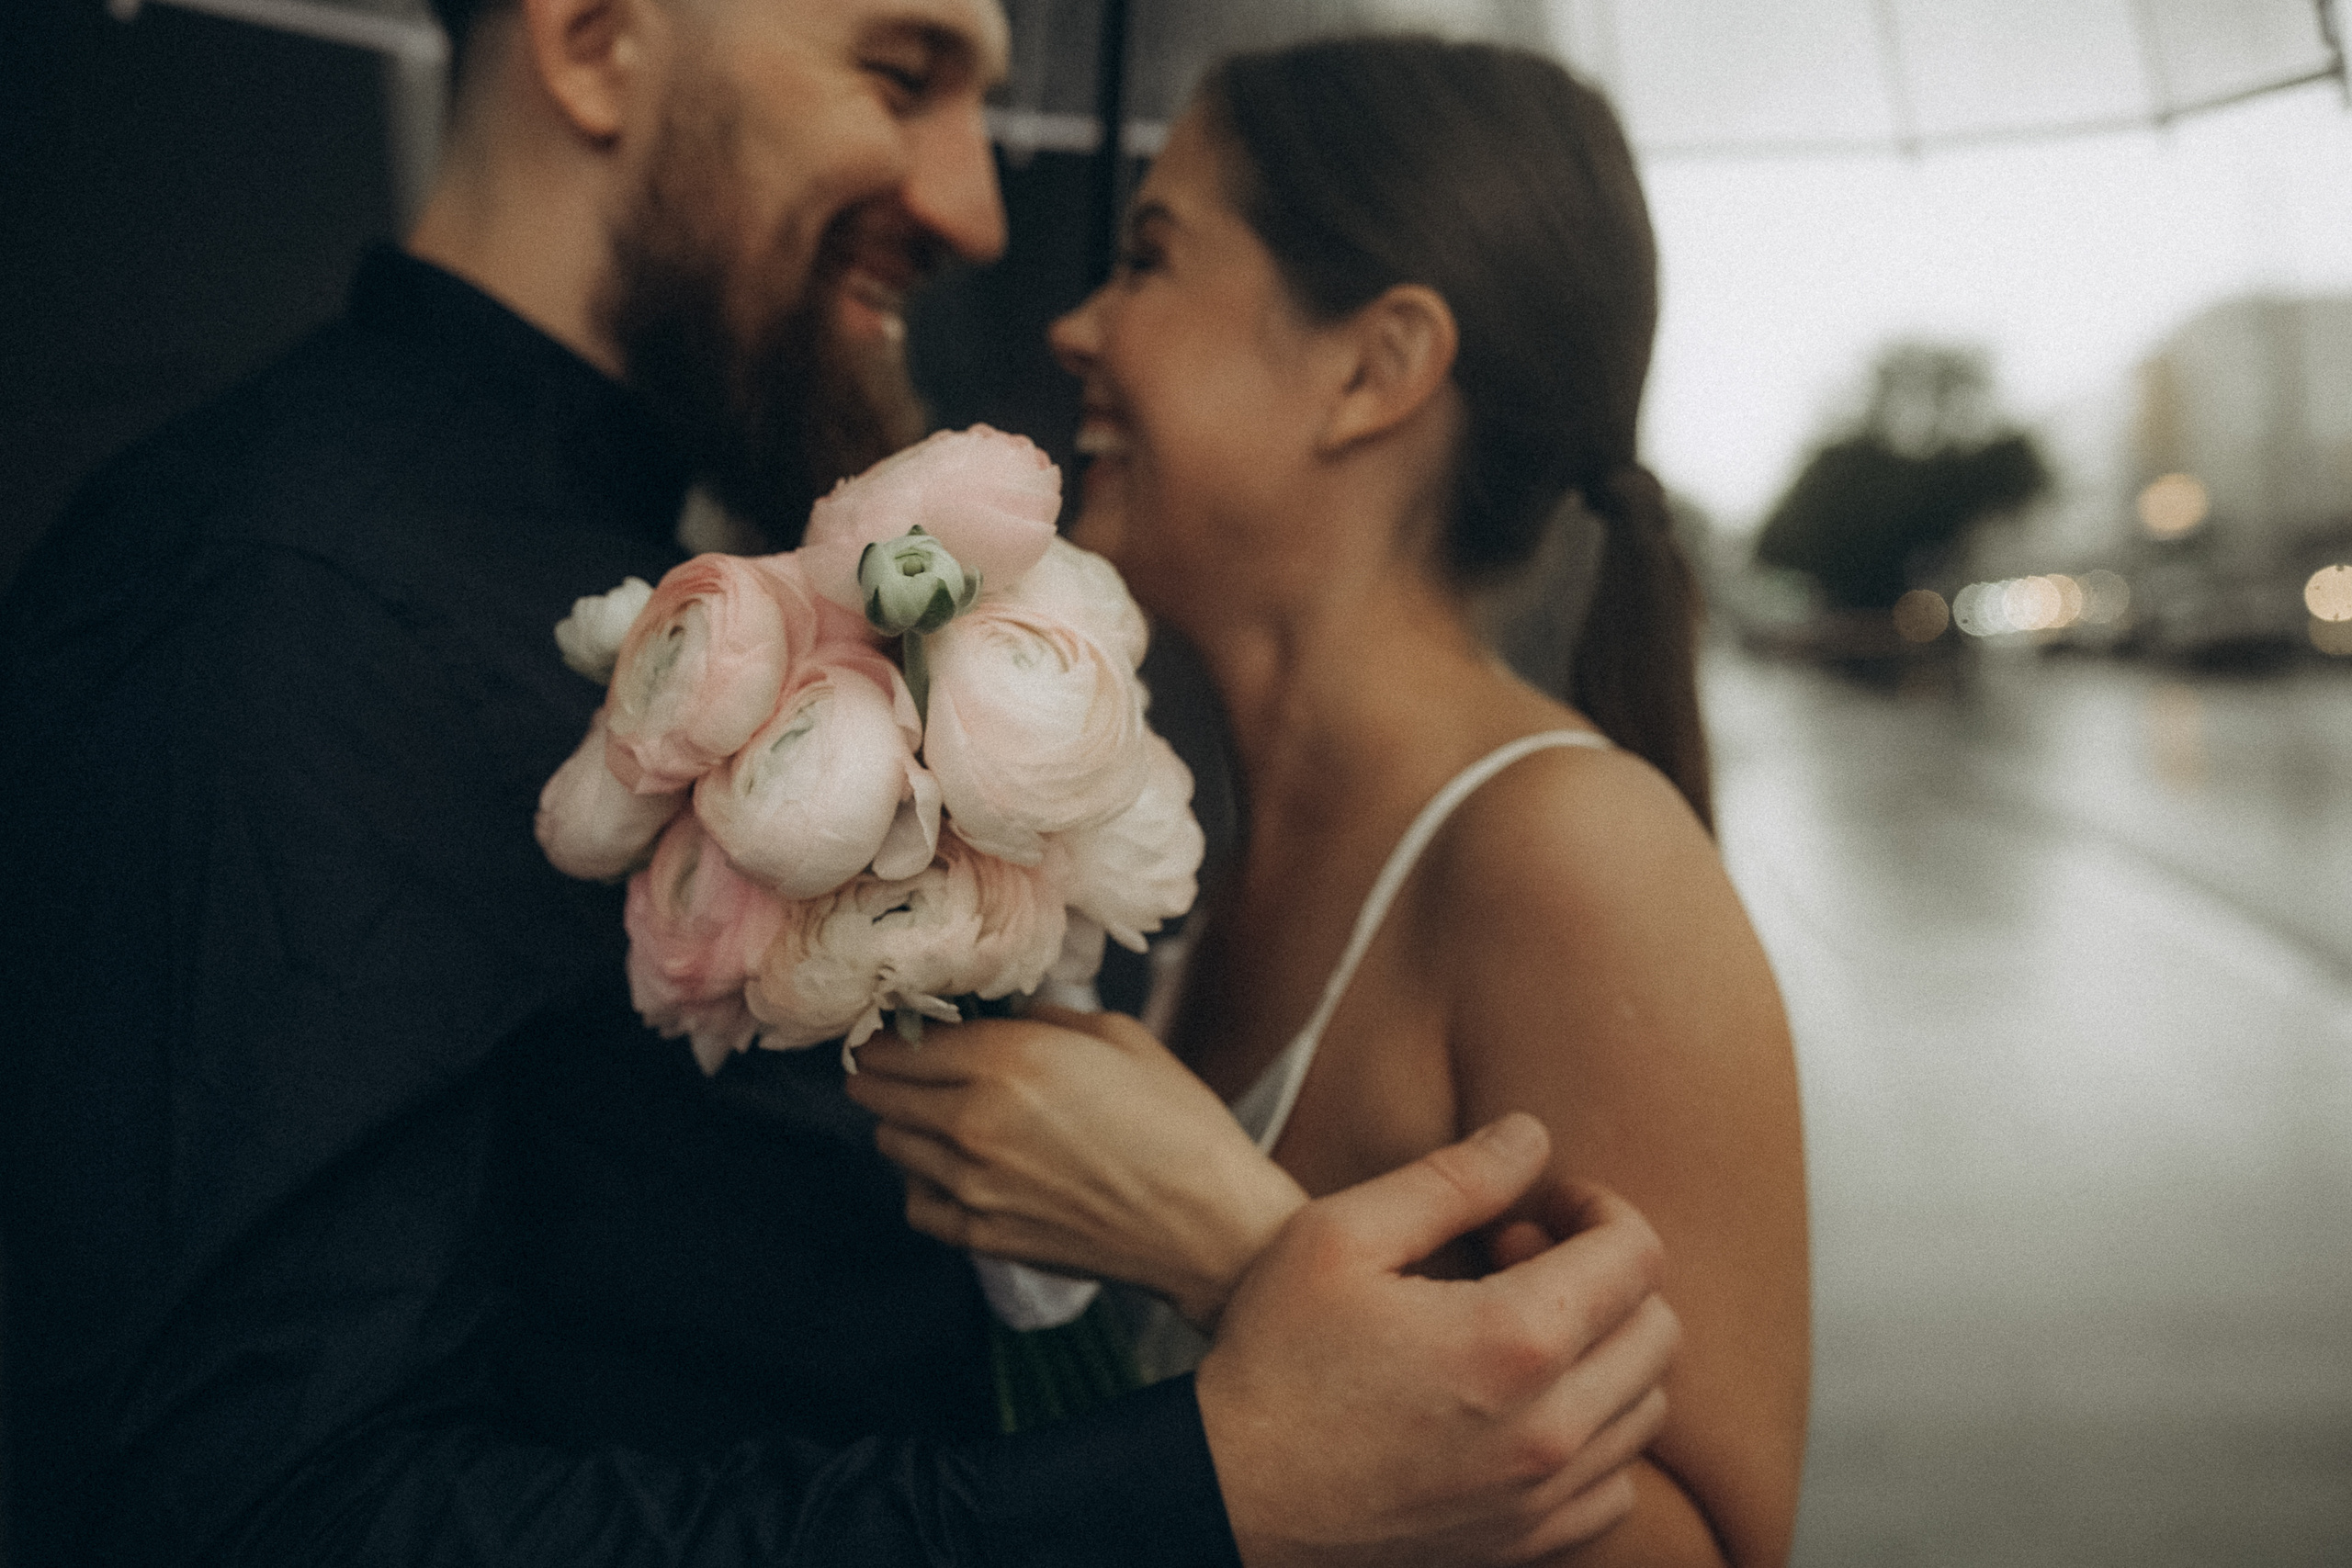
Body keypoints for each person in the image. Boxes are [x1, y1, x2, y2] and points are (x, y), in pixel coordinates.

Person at [0, 3, 1683, 1564]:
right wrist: (1191, 1484)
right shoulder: (274, 593)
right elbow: (246, 1510)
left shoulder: (640, 567)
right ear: (593, 42)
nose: (978, 212)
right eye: (900, 73)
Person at [845, 35, 1811, 1568]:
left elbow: (1709, 1546)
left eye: (1152, 260)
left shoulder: (1574, 859)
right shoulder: (1199, 834)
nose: (1080, 324)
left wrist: (1231, 1249)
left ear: (1376, 366)